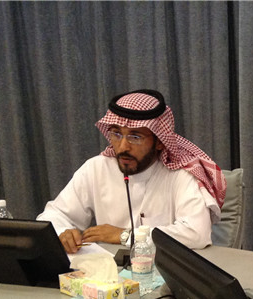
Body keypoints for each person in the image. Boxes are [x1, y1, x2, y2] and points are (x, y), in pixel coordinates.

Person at [38, 89, 225, 253]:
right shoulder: (96, 168)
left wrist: (126, 236)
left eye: (135, 137)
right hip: (109, 274)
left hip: (162, 273)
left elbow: (197, 233)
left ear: (160, 142)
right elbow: (53, 215)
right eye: (116, 134)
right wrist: (62, 232)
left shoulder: (179, 175)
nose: (123, 147)